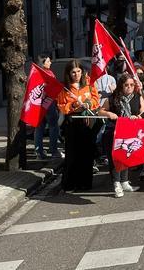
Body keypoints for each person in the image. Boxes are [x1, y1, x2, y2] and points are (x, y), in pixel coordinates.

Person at [98, 72, 144, 197]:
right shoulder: (112, 98)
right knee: (115, 159)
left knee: (126, 157)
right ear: (121, 86)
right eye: (126, 85)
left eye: (131, 85)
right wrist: (109, 114)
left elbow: (143, 111)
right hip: (114, 132)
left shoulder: (137, 97)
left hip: (130, 132)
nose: (129, 87)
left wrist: (138, 117)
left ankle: (124, 182)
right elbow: (100, 111)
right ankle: (116, 184)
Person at [56, 60, 100, 192]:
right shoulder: (65, 88)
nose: (77, 75)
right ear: (69, 73)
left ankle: (85, 183)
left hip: (87, 121)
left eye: (79, 71)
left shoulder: (89, 83)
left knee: (87, 153)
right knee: (72, 154)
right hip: (72, 122)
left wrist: (88, 104)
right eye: (73, 72)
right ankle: (70, 183)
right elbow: (61, 106)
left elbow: (96, 99)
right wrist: (73, 105)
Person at [34, 54, 62, 159]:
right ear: (43, 63)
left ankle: (39, 152)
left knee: (39, 128)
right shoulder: (48, 73)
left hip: (38, 105)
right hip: (49, 103)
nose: (50, 63)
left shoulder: (35, 74)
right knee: (53, 127)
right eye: (48, 61)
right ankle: (54, 151)